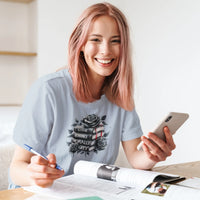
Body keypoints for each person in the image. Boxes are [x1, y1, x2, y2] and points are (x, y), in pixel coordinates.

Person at [9, 2, 176, 189]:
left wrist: (153, 154)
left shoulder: (120, 95)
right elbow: (16, 168)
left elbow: (136, 159)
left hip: (88, 192)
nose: (106, 50)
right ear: (79, 44)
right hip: (41, 193)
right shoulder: (48, 90)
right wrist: (34, 175)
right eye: (95, 40)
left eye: (116, 41)